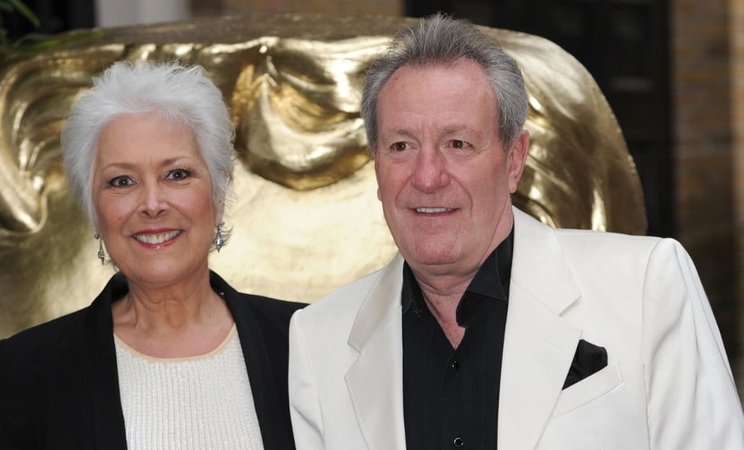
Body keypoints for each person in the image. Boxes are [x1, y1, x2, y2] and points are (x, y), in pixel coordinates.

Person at [287, 13, 744, 450]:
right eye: (401, 145)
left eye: (458, 143)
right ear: (377, 165)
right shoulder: (318, 340)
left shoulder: (646, 284)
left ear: (514, 160)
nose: (427, 176)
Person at [0, 61, 303, 449]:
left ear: (219, 194)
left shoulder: (305, 342)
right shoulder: (33, 368)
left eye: (177, 174)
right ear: (94, 211)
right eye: (122, 181)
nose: (152, 204)